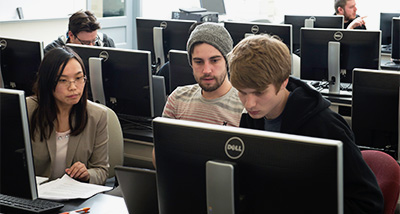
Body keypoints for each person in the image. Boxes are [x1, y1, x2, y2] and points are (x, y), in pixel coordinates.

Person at [227, 34, 384, 213]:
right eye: (242, 92)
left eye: (259, 93)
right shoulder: (251, 119)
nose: (249, 104)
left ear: (284, 82)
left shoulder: (326, 126)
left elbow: (368, 203)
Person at [27, 46, 109, 185]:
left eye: (78, 78)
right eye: (63, 80)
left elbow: (101, 171)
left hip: (74, 198)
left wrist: (87, 174)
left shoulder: (97, 115)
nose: (73, 87)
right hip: (34, 197)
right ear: (47, 82)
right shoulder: (27, 109)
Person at [162, 22, 244, 127]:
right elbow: (165, 142)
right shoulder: (177, 99)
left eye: (214, 61)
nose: (206, 70)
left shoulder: (245, 106)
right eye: (199, 62)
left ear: (227, 61)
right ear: (191, 63)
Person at [44, 10, 115, 54]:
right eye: (85, 43)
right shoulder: (52, 51)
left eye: (94, 40)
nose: (91, 46)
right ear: (71, 35)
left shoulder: (106, 43)